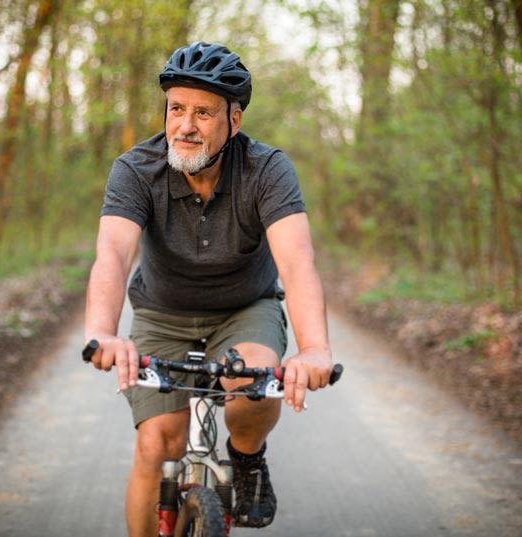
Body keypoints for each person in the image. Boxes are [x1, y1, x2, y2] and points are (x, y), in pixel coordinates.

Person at [83, 41, 334, 536]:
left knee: (254, 386)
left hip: (244, 308)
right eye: (177, 108)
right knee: (158, 443)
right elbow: (112, 252)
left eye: (203, 112)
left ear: (234, 121)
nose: (185, 126)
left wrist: (314, 349)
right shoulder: (136, 169)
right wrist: (102, 331)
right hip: (162, 313)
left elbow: (297, 261)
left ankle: (248, 456)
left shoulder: (267, 169)